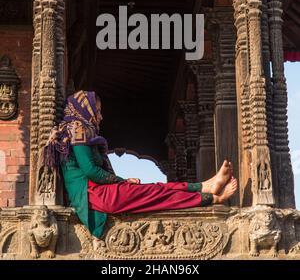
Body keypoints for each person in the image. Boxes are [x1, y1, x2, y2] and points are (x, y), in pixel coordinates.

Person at [43, 90, 238, 238]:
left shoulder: (69, 130)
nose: (100, 117)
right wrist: (122, 181)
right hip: (94, 195)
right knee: (156, 193)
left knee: (156, 190)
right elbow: (90, 170)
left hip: (96, 193)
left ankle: (206, 187)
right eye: (98, 111)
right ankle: (211, 197)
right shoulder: (77, 128)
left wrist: (122, 182)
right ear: (84, 109)